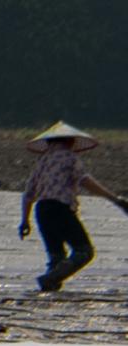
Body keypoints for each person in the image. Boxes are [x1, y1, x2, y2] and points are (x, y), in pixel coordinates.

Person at [20, 123, 122, 293]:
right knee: (84, 251)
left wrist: (25, 221)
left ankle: (49, 288)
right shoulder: (70, 158)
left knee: (56, 257)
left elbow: (28, 194)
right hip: (60, 209)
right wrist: (113, 198)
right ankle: (49, 279)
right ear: (70, 142)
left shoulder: (42, 161)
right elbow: (84, 180)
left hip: (42, 210)